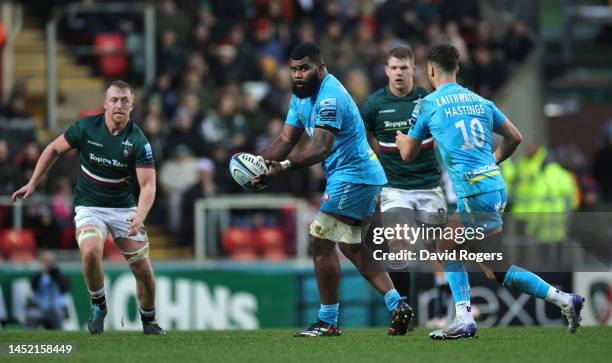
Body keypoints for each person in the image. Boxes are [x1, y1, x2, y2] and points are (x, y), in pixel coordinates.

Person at [395, 44, 584, 339]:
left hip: (472, 191)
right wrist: (493, 160)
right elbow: (515, 137)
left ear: (430, 71)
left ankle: (463, 318)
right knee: (493, 268)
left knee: (445, 247)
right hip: (495, 187)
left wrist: (401, 138)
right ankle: (564, 300)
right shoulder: (480, 101)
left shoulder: (429, 104)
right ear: (457, 68)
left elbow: (408, 153)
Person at [252, 42, 413, 337]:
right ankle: (397, 304)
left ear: (320, 68)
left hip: (354, 176)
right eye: (294, 69)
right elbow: (286, 138)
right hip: (356, 176)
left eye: (304, 68)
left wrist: (282, 168)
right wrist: (261, 164)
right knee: (351, 247)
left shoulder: (330, 96)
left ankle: (327, 321)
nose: (298, 75)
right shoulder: (300, 97)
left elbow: (321, 148)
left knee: (320, 240)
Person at [12, 81, 165, 335]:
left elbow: (148, 186)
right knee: (92, 251)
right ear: (105, 104)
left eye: (125, 100)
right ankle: (98, 304)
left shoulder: (138, 140)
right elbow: (52, 149)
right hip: (89, 206)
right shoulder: (85, 128)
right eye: (114, 99)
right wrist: (32, 182)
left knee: (143, 268)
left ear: (132, 106)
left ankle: (148, 321)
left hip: (123, 209)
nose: (119, 104)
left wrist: (139, 215)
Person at [361, 46, 447, 310]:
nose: (399, 73)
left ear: (414, 70)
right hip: (394, 188)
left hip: (428, 185)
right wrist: (378, 160)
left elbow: (442, 135)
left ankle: (448, 307)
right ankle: (404, 309)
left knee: (438, 249)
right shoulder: (375, 104)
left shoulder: (428, 100)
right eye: (394, 68)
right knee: (398, 246)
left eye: (404, 68)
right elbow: (364, 135)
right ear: (387, 70)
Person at [26, 251, 70, 330]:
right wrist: (41, 272)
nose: (48, 263)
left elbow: (65, 289)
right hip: (40, 308)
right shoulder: (38, 275)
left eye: (50, 261)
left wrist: (56, 275)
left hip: (56, 308)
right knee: (31, 314)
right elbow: (33, 287)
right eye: (46, 261)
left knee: (57, 314)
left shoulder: (59, 275)